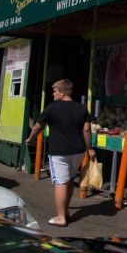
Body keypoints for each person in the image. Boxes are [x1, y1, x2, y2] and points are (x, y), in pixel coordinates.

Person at [25, 79, 95, 227]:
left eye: (55, 91)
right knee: (69, 180)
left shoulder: (51, 108)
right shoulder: (82, 108)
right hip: (78, 151)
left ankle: (61, 217)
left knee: (60, 183)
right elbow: (87, 130)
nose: (53, 94)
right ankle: (66, 211)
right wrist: (90, 148)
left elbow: (38, 126)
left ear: (62, 92)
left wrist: (31, 138)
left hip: (59, 152)